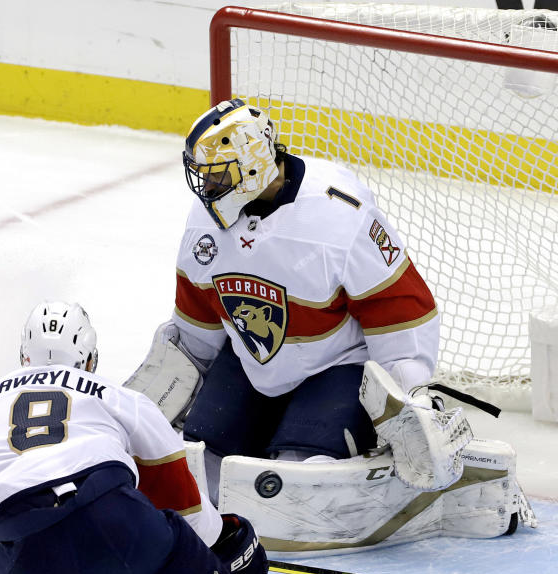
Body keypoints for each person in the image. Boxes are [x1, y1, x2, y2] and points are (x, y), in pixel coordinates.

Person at [130, 98, 444, 503]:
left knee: (300, 480)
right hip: (251, 366)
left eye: (216, 176)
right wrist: (146, 413)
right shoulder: (203, 223)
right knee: (201, 467)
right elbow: (196, 332)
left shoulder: (339, 213)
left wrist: (409, 399)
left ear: (252, 166)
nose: (206, 189)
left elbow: (402, 313)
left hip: (337, 367)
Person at [0, 301, 318, 574]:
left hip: (30, 553)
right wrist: (225, 545)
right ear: (90, 358)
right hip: (119, 523)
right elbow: (182, 501)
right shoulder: (114, 395)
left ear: (24, 357)